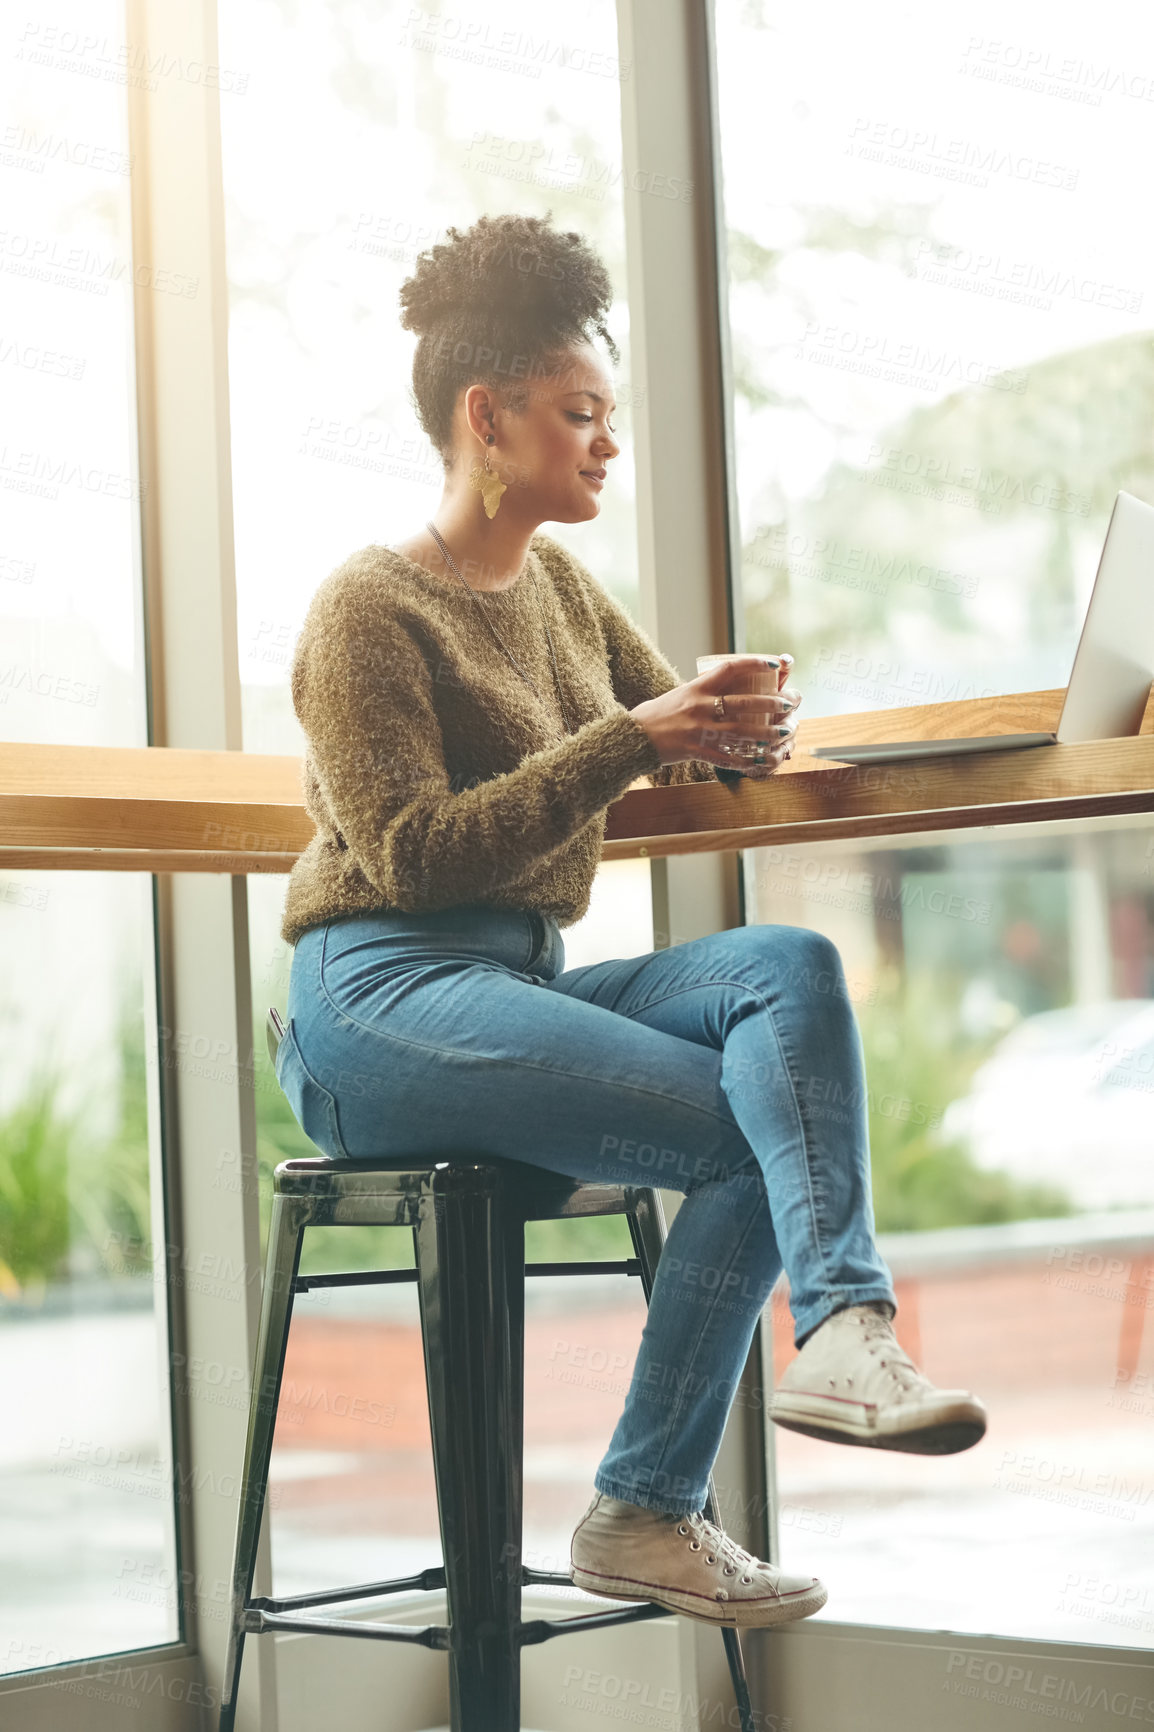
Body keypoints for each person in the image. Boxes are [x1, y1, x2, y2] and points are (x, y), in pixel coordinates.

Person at [277, 211, 987, 1632]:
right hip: (374, 1002)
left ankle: (844, 1327)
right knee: (740, 1125)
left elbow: (669, 732)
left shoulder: (554, 586)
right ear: (488, 417)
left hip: (516, 981)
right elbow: (414, 855)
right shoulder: (365, 609)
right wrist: (633, 737)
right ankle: (648, 1511)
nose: (606, 442)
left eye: (606, 415)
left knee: (783, 969)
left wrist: (728, 727)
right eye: (579, 412)